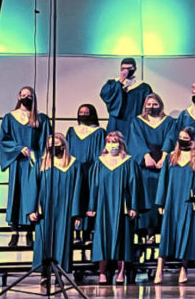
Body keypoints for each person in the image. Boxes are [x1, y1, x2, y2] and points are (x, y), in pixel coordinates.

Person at [154, 127, 195, 284]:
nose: (182, 140)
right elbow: (163, 181)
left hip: (189, 202)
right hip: (172, 201)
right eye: (180, 137)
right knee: (167, 234)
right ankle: (159, 269)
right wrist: (161, 202)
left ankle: (184, 269)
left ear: (192, 140)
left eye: (185, 137)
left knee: (186, 234)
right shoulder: (171, 157)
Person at [25, 133, 82, 286]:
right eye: (49, 143)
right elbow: (33, 187)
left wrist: (76, 213)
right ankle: (44, 273)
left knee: (62, 240)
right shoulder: (41, 164)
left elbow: (78, 190)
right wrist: (32, 209)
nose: (52, 146)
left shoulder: (74, 164)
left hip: (65, 209)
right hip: (45, 209)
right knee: (44, 241)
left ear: (63, 145)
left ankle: (59, 273)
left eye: (55, 143)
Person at [87, 131, 142, 284]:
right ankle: (102, 272)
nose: (112, 145)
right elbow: (94, 186)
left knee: (122, 239)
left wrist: (133, 207)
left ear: (121, 143)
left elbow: (134, 185)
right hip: (104, 205)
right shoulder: (99, 162)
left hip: (122, 205)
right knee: (102, 238)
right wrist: (92, 206)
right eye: (109, 141)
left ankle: (121, 272)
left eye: (115, 141)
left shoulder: (128, 162)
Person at [0, 86, 51, 247]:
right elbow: (4, 140)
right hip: (17, 161)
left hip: (32, 161)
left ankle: (29, 232)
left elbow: (45, 141)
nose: (26, 98)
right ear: (18, 96)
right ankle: (14, 232)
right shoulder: (9, 118)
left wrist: (42, 157)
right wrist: (17, 148)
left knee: (31, 194)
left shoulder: (40, 118)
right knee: (15, 193)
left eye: (29, 95)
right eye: (24, 95)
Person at [128, 93, 175, 244]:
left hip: (162, 165)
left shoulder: (169, 122)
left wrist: (164, 157)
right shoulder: (138, 122)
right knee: (146, 197)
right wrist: (145, 156)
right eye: (149, 104)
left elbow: (170, 138)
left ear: (160, 105)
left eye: (155, 104)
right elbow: (136, 140)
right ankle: (146, 232)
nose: (151, 107)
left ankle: (161, 233)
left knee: (160, 197)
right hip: (145, 167)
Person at [65, 103, 105, 240]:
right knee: (76, 197)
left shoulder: (99, 132)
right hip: (76, 170)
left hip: (91, 170)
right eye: (80, 112)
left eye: (86, 112)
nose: (83, 115)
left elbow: (100, 154)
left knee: (89, 198)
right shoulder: (72, 131)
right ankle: (76, 230)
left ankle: (88, 230)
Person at [99, 57, 153, 137]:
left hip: (134, 123)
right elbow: (105, 95)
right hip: (115, 122)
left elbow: (148, 108)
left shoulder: (143, 88)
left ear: (135, 68)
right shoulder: (112, 84)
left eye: (129, 68)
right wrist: (120, 81)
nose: (126, 71)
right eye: (123, 68)